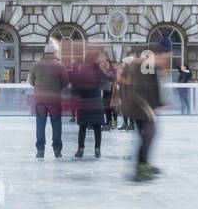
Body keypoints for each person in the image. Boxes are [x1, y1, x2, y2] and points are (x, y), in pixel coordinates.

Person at [123, 40, 169, 181]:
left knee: (146, 136)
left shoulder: (154, 68)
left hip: (145, 109)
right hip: (138, 109)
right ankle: (140, 167)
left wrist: (161, 103)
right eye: (163, 57)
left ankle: (143, 164)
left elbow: (155, 89)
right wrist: (147, 108)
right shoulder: (143, 67)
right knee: (149, 135)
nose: (165, 60)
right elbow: (136, 91)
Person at [70, 48, 113, 158]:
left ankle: (80, 149)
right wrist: (110, 69)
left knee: (83, 126)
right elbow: (110, 78)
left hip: (83, 101)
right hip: (96, 101)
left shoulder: (81, 70)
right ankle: (97, 149)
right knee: (97, 127)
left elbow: (75, 84)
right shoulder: (98, 69)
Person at [29, 43, 69, 159]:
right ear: (53, 53)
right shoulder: (59, 66)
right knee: (56, 125)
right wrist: (56, 87)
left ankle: (40, 150)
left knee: (40, 125)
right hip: (55, 100)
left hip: (40, 100)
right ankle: (57, 150)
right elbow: (65, 83)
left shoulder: (36, 65)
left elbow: (31, 82)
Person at [112, 62, 132, 132]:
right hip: (123, 93)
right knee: (124, 110)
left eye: (123, 63)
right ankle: (125, 124)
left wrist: (121, 79)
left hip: (128, 94)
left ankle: (131, 125)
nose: (121, 64)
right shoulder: (124, 71)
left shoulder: (129, 72)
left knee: (128, 110)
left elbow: (129, 82)